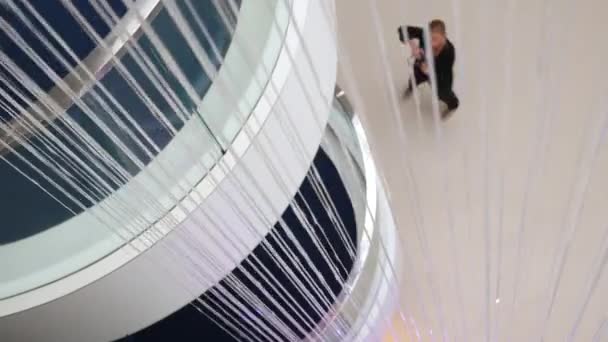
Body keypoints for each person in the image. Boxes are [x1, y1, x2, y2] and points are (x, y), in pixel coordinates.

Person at [398, 20, 459, 120]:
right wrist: (412, 45)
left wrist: (430, 71)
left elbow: (444, 73)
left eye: (435, 39)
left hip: (440, 79)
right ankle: (411, 88)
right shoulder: (424, 34)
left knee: (443, 94)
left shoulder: (449, 52)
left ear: (444, 36)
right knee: (413, 80)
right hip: (420, 69)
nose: (431, 43)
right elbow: (402, 30)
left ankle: (453, 105)